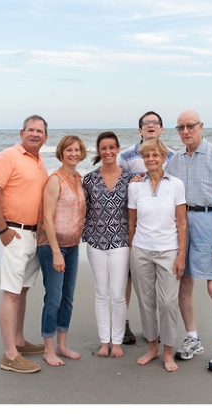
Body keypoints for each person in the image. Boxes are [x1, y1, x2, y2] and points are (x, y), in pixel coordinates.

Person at [165, 109, 212, 372]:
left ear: (201, 126)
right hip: (183, 225)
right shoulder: (174, 161)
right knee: (184, 285)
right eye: (181, 127)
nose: (185, 131)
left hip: (210, 223)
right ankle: (192, 338)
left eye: (190, 126)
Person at [0, 115, 49, 374]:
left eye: (40, 131)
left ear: (46, 137)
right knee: (11, 293)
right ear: (21, 133)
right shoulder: (8, 156)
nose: (35, 134)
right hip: (14, 233)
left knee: (22, 291)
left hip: (33, 236)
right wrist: (2, 230)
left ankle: (19, 341)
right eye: (31, 130)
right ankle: (9, 355)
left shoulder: (40, 161)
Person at [127, 139, 187, 372]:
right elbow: (132, 224)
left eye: (155, 155)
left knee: (168, 302)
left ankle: (168, 351)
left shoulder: (176, 185)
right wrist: (133, 250)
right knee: (146, 301)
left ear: (164, 158)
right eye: (147, 155)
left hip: (168, 251)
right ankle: (152, 347)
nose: (151, 159)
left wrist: (181, 254)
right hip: (141, 251)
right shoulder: (135, 186)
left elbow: (182, 224)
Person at [118, 110, 175, 344]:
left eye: (155, 123)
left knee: (163, 284)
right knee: (129, 277)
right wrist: (128, 182)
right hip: (133, 224)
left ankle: (161, 328)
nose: (151, 126)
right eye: (146, 123)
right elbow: (117, 185)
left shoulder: (173, 156)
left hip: (162, 230)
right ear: (140, 130)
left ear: (162, 129)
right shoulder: (126, 156)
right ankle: (122, 323)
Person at [82, 132, 136, 358]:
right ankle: (104, 343)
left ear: (118, 149)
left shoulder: (131, 179)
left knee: (118, 295)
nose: (108, 152)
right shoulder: (89, 179)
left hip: (121, 242)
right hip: (95, 242)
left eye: (112, 147)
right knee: (101, 293)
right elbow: (79, 209)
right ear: (98, 151)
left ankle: (117, 343)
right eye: (103, 148)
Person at [36, 135, 87, 367]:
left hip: (73, 246)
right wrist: (56, 252)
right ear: (61, 153)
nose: (73, 153)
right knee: (54, 298)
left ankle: (62, 345)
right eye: (69, 150)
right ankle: (48, 349)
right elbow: (47, 217)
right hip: (52, 247)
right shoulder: (55, 179)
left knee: (68, 297)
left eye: (77, 150)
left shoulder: (78, 178)